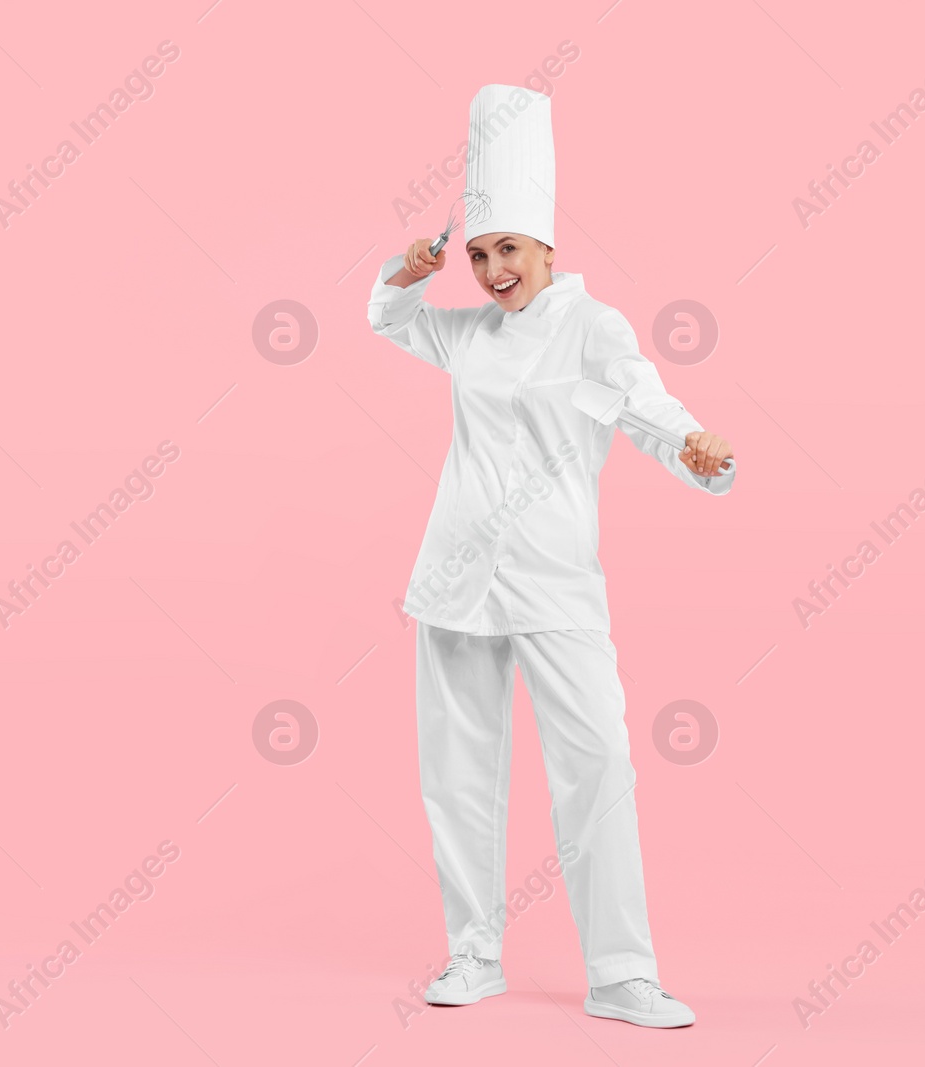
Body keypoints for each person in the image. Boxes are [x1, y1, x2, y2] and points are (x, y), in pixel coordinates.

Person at [366, 84, 734, 1029]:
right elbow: (389, 319)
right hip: (454, 578)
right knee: (456, 769)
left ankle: (621, 976)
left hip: (556, 581)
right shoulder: (467, 335)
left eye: (508, 251)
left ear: (547, 248)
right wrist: (408, 269)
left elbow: (648, 407)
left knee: (598, 764)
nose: (492, 269)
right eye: (481, 253)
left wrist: (693, 447)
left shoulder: (592, 327)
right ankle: (473, 955)